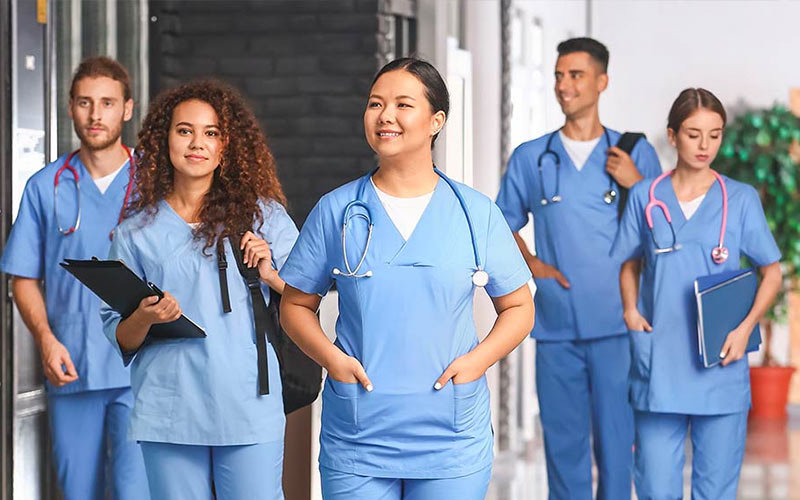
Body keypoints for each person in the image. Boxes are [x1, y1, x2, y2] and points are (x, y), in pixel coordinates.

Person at [279, 57, 534, 500]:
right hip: (358, 436)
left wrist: (476, 362)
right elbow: (295, 306)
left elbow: (519, 306)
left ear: (437, 120)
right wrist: (333, 361)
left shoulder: (475, 214)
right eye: (375, 104)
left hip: (450, 437)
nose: (385, 116)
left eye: (402, 104)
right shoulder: (337, 210)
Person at [100, 80, 298, 500]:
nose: (197, 143)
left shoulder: (264, 218)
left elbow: (308, 301)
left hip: (248, 404)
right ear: (163, 139)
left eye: (211, 133)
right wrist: (146, 316)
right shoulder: (136, 233)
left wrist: (270, 274)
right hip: (169, 410)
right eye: (184, 130)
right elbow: (121, 336)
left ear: (228, 145)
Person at [495, 37, 662, 499]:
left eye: (576, 75)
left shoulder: (633, 153)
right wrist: (532, 265)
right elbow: (501, 222)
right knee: (564, 447)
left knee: (618, 445)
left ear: (601, 81)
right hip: (557, 327)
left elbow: (666, 230)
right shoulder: (533, 157)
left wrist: (638, 184)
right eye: (559, 75)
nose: (564, 86)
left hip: (618, 325)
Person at [611, 88, 781, 499]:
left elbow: (771, 271)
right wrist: (631, 311)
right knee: (654, 485)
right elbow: (629, 261)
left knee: (716, 489)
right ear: (672, 136)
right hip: (660, 361)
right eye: (693, 134)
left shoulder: (738, 199)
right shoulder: (646, 196)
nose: (705, 146)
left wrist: (745, 329)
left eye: (715, 134)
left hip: (721, 361)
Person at [0, 57, 148, 500]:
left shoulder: (155, 185)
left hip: (140, 368)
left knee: (134, 493)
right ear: (70, 108)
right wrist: (46, 339)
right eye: (85, 102)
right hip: (72, 366)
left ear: (127, 108)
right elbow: (22, 276)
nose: (95, 114)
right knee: (75, 491)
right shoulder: (46, 186)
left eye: (107, 103)